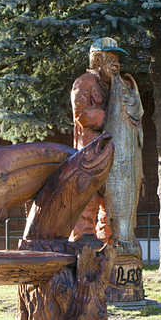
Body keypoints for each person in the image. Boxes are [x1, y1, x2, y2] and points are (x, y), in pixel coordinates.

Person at [69, 37, 126, 241]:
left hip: (110, 159)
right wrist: (112, 119)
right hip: (89, 157)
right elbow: (81, 114)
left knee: (109, 209)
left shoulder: (114, 87)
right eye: (111, 58)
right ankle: (81, 248)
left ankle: (107, 250)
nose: (116, 64)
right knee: (86, 204)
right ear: (98, 59)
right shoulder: (84, 82)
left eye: (118, 59)